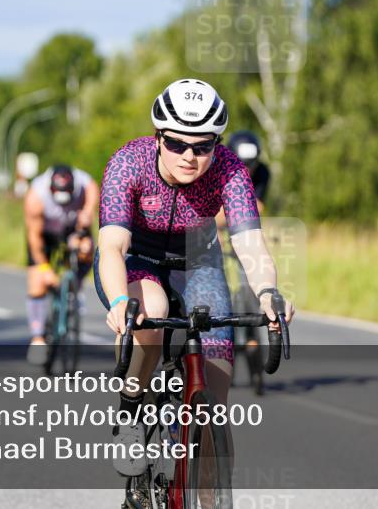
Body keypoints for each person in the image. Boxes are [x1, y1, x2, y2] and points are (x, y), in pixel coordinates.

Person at [94, 78, 295, 480]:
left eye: (202, 146)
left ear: (217, 144)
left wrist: (268, 292)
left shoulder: (229, 169)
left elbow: (251, 244)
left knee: (215, 398)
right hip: (139, 258)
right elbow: (113, 246)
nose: (189, 156)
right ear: (158, 137)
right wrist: (119, 302)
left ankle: (210, 495)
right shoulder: (127, 163)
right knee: (153, 312)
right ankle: (132, 407)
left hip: (198, 262)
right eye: (176, 144)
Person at [24, 164, 99, 364]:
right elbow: (34, 238)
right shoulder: (36, 195)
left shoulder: (84, 182)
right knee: (38, 282)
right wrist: (44, 268)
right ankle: (38, 337)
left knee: (86, 248)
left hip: (71, 227)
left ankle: (75, 285)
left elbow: (93, 195)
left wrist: (87, 212)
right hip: (45, 233)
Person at [221, 130, 272, 392]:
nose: (249, 172)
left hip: (244, 228)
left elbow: (255, 208)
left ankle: (251, 338)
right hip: (217, 229)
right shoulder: (219, 167)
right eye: (244, 166)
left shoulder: (263, 172)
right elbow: (214, 214)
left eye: (252, 166)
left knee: (249, 286)